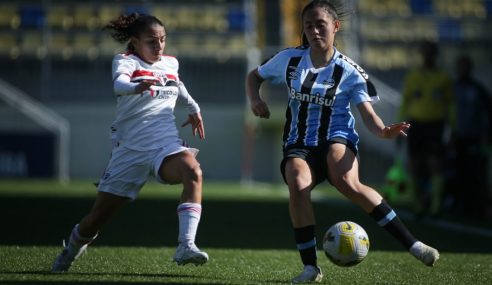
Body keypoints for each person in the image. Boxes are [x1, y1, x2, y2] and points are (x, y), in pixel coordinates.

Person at [245, 1, 439, 283]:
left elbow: (368, 114)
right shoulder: (289, 59)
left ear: (336, 26)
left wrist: (383, 131)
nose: (314, 30)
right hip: (298, 141)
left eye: (320, 24)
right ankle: (311, 268)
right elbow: (254, 76)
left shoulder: (350, 71)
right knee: (298, 185)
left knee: (346, 180)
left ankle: (414, 245)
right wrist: (256, 99)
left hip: (337, 136)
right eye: (308, 25)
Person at [51, 13, 209, 273]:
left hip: (165, 145)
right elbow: (120, 85)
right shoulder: (125, 61)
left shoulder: (170, 63)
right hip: (130, 150)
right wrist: (137, 86)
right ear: (135, 42)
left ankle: (186, 245)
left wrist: (193, 107)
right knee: (97, 219)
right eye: (151, 41)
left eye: (162, 40)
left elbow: (177, 84)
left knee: (193, 170)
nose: (159, 46)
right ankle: (69, 253)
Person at [399, 40, 455, 218]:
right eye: (425, 52)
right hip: (416, 124)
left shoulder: (443, 77)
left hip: (435, 125)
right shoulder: (413, 76)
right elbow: (405, 102)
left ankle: (435, 207)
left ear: (435, 54)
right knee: (414, 164)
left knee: (435, 165)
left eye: (431, 52)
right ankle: (417, 205)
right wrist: (400, 125)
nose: (427, 56)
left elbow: (450, 104)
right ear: (421, 54)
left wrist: (453, 127)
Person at [444, 54, 491, 217]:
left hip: (475, 137)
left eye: (465, 66)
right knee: (457, 171)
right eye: (459, 66)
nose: (461, 70)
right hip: (457, 138)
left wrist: (486, 135)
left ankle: (478, 206)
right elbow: (447, 113)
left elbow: (487, 113)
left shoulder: (478, 89)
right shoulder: (452, 88)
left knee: (476, 172)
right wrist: (450, 134)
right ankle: (459, 204)